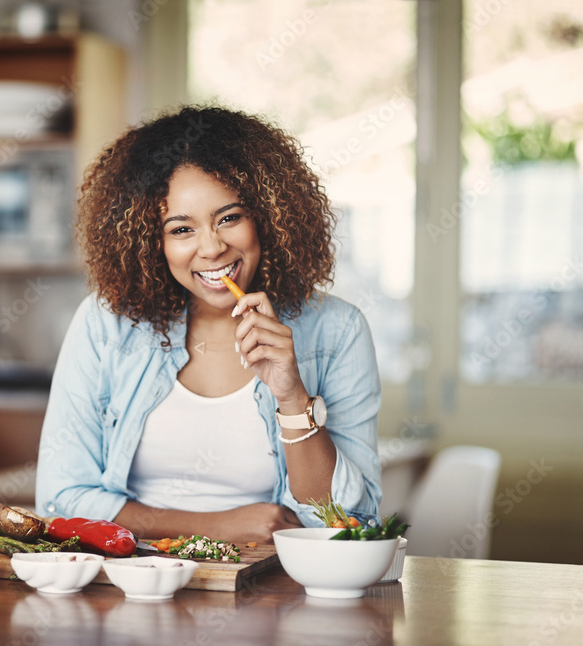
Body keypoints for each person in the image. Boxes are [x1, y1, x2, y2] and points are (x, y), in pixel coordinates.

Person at [35, 106, 382, 544]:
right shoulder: (106, 324)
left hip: (272, 593)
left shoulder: (338, 331)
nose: (212, 248)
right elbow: (60, 498)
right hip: (134, 584)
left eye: (230, 218)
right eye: (181, 229)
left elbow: (351, 523)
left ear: (268, 217)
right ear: (150, 243)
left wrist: (292, 398)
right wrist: (214, 528)